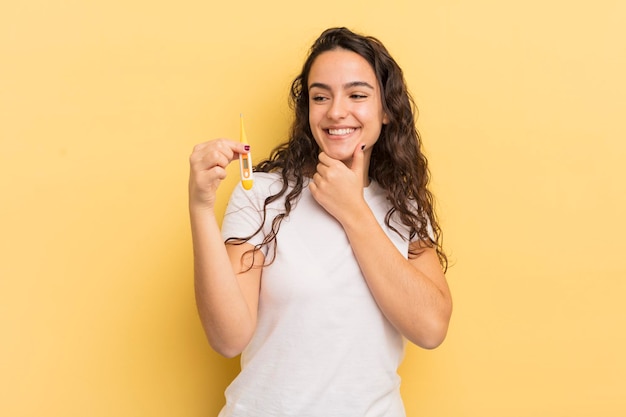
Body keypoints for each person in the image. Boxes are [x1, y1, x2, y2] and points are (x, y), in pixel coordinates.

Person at [188, 27, 452, 417]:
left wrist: (353, 209)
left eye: (357, 95)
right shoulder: (262, 193)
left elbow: (431, 328)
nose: (335, 111)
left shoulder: (403, 205)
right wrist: (199, 206)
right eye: (320, 96)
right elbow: (228, 337)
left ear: (386, 109)